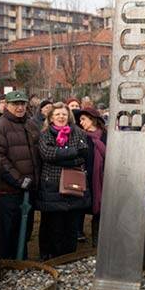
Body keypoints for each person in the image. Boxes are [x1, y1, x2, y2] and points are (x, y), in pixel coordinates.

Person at [37, 102, 90, 260]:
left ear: (69, 117)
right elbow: (47, 154)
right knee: (52, 224)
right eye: (57, 114)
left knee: (70, 224)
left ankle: (68, 257)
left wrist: (61, 157)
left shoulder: (79, 133)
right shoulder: (45, 134)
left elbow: (84, 154)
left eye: (64, 114)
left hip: (73, 183)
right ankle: (50, 256)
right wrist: (72, 153)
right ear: (51, 117)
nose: (61, 117)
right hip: (52, 185)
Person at [0, 91, 40, 259]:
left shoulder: (30, 124)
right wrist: (19, 180)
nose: (20, 107)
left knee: (25, 230)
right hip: (9, 192)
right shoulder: (1, 126)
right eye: (15, 104)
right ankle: (8, 265)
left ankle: (22, 263)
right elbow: (0, 158)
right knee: (9, 231)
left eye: (22, 104)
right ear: (7, 105)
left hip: (29, 191)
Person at [76, 107, 107, 247]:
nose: (81, 122)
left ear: (92, 119)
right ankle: (78, 232)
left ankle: (97, 238)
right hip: (86, 176)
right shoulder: (81, 136)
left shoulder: (106, 135)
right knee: (82, 204)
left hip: (103, 177)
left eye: (83, 119)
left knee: (100, 206)